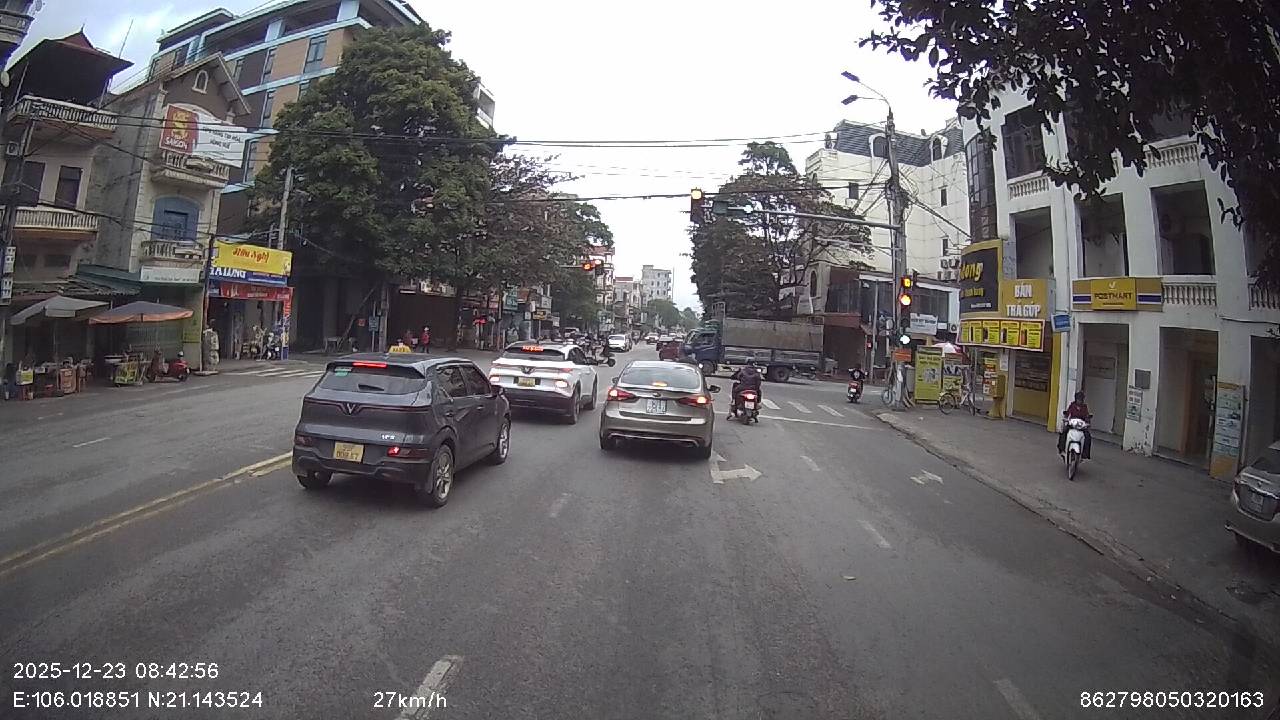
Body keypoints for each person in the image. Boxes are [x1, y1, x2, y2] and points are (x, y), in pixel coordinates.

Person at [1058, 391, 1092, 458]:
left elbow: (1087, 416)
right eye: (1078, 399)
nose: (1079, 400)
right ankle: (1062, 449)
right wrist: (1066, 418)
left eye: (1081, 399)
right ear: (1076, 399)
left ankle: (1085, 454)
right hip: (1072, 424)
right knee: (1063, 432)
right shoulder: (1072, 405)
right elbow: (1067, 413)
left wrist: (1088, 421)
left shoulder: (1084, 407)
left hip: (1081, 426)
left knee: (1088, 436)